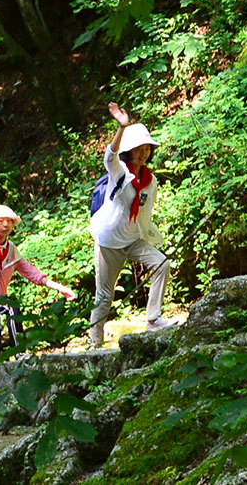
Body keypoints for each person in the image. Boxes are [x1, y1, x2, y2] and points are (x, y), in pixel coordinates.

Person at [88, 102, 173, 348]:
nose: (144, 153)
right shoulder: (119, 172)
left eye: (147, 149)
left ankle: (153, 319)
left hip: (134, 239)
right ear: (128, 150)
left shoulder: (150, 181)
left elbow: (145, 212)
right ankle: (94, 344)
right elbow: (109, 156)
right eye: (139, 148)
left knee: (162, 263)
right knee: (105, 296)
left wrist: (148, 236)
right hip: (109, 242)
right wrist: (121, 127)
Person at [0, 205, 76, 361]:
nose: (6, 225)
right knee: (12, 307)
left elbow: (32, 273)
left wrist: (61, 288)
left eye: (9, 221)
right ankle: (20, 353)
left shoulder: (11, 250)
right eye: (1, 221)